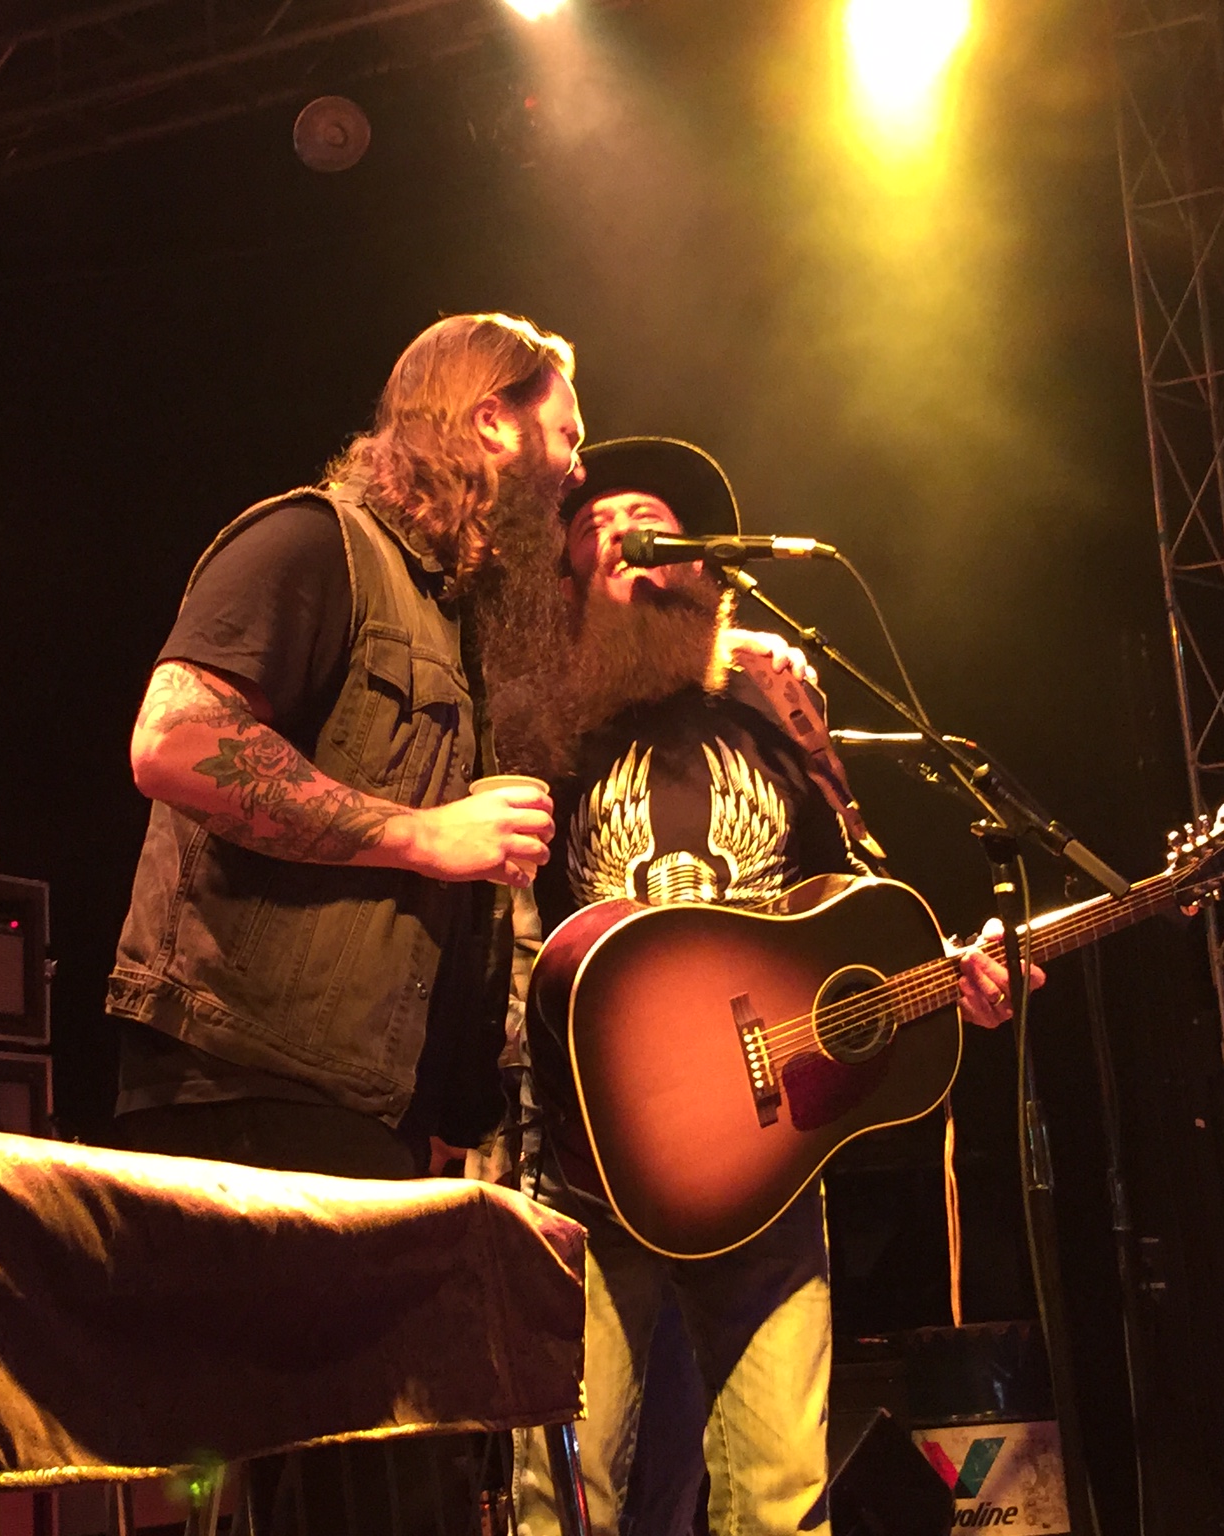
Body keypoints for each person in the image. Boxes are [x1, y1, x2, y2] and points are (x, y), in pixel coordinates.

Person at [101, 312, 582, 1533]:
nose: (578, 464)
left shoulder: (451, 622)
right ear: (490, 420)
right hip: (247, 1085)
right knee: (324, 1498)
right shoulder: (309, 544)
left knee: (371, 1496)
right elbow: (173, 740)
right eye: (565, 433)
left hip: (359, 1116)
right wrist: (425, 834)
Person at [502, 438, 1031, 1536]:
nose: (627, 547)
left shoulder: (778, 727)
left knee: (781, 1497)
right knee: (566, 1489)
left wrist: (949, 978)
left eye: (652, 531)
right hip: (587, 1164)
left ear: (710, 573)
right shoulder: (539, 726)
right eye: (596, 534)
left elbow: (847, 914)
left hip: (764, 1165)